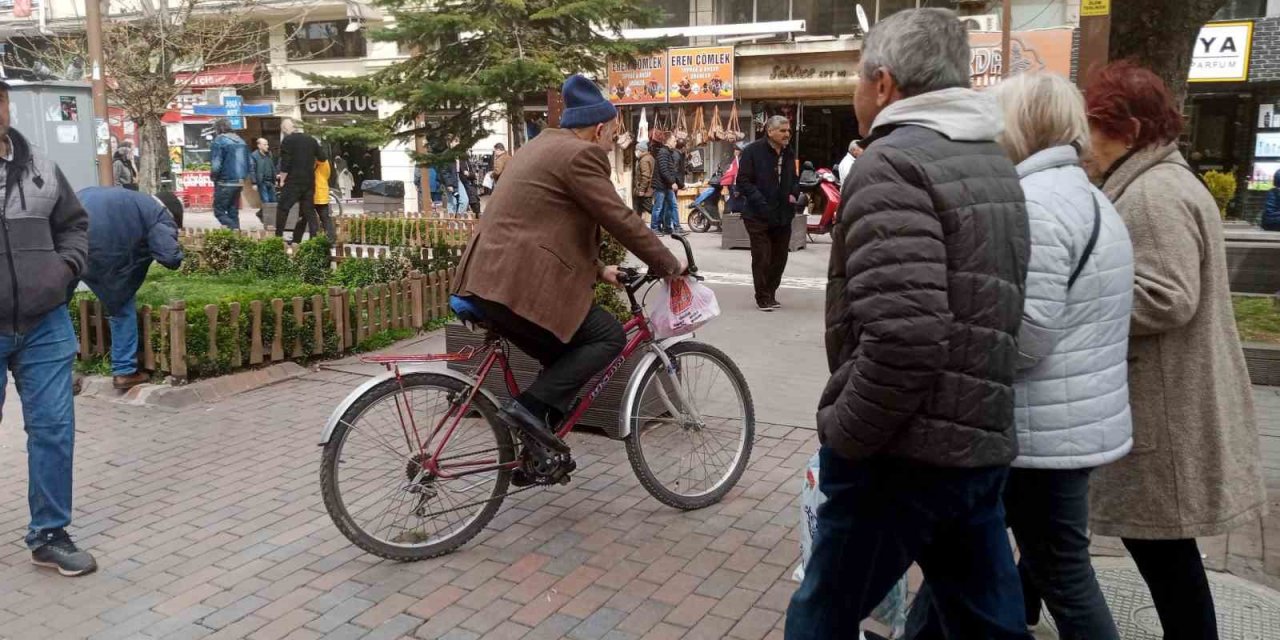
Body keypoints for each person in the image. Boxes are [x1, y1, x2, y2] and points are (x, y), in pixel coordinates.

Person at [785, 9, 1032, 640]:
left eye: (858, 79)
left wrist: (845, 431)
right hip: (976, 441)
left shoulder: (892, 164)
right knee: (986, 621)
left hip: (900, 452)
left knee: (823, 614)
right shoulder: (992, 163)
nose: (856, 94)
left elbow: (905, 335)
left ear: (885, 83)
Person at [904, 73, 1135, 640]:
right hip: (1062, 424)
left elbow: (1025, 335)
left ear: (1021, 127)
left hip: (1036, 435)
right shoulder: (1086, 196)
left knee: (1059, 574)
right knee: (961, 553)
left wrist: (956, 342)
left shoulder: (1038, 205)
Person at [1084, 60, 1266, 640]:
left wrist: (1079, 299)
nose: (1085, 142)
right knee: (1077, 530)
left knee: (1157, 539)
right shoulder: (1159, 181)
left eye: (1095, 127)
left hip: (1163, 403)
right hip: (1165, 395)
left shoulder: (1153, 193)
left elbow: (1168, 297)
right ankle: (1021, 603)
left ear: (1130, 130)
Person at [451, 75, 681, 485]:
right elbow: (619, 218)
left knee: (564, 360)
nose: (611, 144)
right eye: (612, 135)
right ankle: (525, 412)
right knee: (607, 337)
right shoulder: (580, 156)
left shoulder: (540, 146)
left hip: (488, 277)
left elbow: (542, 225)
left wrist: (599, 270)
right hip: (513, 283)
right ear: (598, 128)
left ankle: (535, 457)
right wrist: (669, 264)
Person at [0, 81, 95, 576]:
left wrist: (63, 271)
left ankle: (50, 535)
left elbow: (74, 224)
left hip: (44, 323)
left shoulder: (39, 164)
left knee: (54, 432)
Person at [75, 187, 183, 390]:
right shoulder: (158, 213)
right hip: (100, 252)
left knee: (55, 309)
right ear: (172, 213)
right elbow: (169, 257)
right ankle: (124, 371)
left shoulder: (128, 198)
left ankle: (61, 374)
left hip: (65, 244)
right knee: (122, 309)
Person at [736, 115, 798, 312]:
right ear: (770, 131)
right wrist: (761, 202)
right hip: (757, 214)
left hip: (783, 215)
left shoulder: (788, 152)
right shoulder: (752, 151)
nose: (787, 134)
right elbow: (743, 181)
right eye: (783, 130)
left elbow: (794, 178)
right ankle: (762, 297)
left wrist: (794, 193)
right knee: (762, 256)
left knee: (779, 258)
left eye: (788, 130)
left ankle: (771, 293)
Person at [275, 118, 322, 243]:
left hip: (293, 181)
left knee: (283, 208)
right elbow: (322, 158)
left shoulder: (287, 141)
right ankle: (315, 239)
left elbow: (285, 164)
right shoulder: (311, 140)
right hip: (309, 181)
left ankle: (278, 236)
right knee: (309, 211)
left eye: (283, 130)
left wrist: (282, 181)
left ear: (285, 129)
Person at [209, 119, 249, 231]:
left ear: (219, 129)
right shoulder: (241, 141)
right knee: (233, 209)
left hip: (224, 181)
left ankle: (234, 229)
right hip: (239, 181)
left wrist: (213, 176)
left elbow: (216, 163)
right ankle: (237, 237)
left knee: (219, 211)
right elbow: (249, 162)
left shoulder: (219, 140)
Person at [649, 131, 681, 235]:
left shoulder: (669, 152)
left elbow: (672, 171)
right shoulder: (663, 152)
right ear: (668, 141)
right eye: (674, 140)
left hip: (666, 185)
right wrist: (672, 182)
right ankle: (654, 228)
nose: (675, 142)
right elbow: (664, 170)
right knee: (658, 207)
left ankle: (672, 227)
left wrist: (680, 184)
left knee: (672, 205)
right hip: (661, 186)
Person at [249, 137, 277, 221]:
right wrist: (254, 183)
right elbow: (252, 170)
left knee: (273, 201)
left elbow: (272, 167)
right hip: (262, 182)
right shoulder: (254, 156)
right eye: (265, 144)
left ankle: (261, 214)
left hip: (270, 181)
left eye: (267, 144)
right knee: (266, 201)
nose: (267, 146)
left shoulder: (269, 154)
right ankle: (268, 220)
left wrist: (275, 179)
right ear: (259, 146)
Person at [312, 158, 337, 242]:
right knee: (325, 218)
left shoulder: (316, 162)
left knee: (310, 218)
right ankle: (331, 239)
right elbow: (328, 175)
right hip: (321, 193)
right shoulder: (325, 162)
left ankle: (315, 239)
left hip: (315, 193)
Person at [633, 140, 655, 218]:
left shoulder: (644, 160)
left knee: (649, 208)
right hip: (648, 188)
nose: (636, 151)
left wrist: (641, 190)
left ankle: (662, 220)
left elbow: (645, 176)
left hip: (645, 190)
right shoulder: (649, 157)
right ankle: (637, 226)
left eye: (637, 150)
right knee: (639, 208)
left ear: (641, 150)